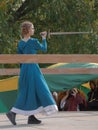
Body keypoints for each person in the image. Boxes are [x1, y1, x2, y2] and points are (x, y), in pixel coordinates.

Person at [6, 21, 58, 125]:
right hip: (33, 68)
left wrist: (23, 71)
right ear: (28, 30)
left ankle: (31, 117)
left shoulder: (20, 43)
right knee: (41, 88)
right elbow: (44, 49)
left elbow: (19, 59)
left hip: (24, 69)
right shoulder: (33, 41)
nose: (34, 30)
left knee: (30, 91)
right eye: (33, 28)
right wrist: (44, 38)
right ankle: (12, 112)